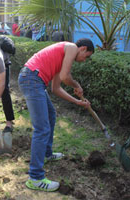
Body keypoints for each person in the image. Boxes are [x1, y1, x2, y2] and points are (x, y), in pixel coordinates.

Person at [18, 38, 93, 191]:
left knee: (51, 114)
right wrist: (77, 85)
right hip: (32, 79)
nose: (84, 60)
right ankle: (35, 178)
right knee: (42, 129)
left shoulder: (62, 58)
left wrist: (76, 102)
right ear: (83, 48)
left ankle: (47, 153)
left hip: (34, 80)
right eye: (86, 56)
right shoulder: (71, 47)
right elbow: (66, 78)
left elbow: (56, 89)